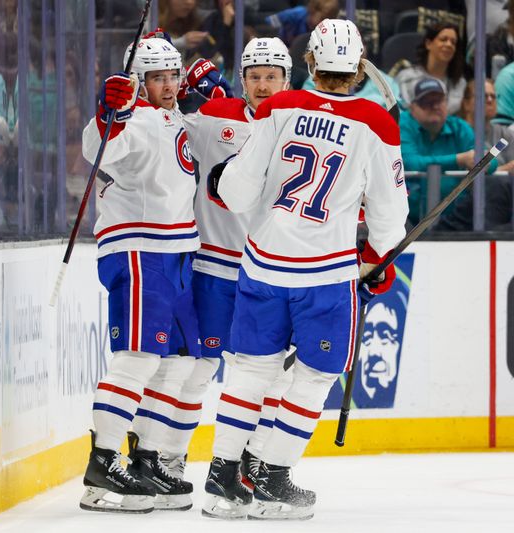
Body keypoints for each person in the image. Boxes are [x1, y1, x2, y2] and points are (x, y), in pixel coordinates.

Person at [205, 19, 408, 520]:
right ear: (360, 67)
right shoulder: (377, 123)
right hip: (326, 274)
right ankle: (273, 477)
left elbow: (235, 191)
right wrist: (378, 257)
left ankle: (221, 478)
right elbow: (389, 218)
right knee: (316, 375)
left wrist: (221, 180)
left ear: (310, 65)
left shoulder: (277, 107)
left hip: (264, 261)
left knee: (250, 370)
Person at [79, 37, 201, 514]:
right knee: (137, 358)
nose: (168, 85)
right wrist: (111, 111)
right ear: (139, 82)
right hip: (139, 249)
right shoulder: (133, 118)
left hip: (176, 252)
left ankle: (145, 460)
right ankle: (102, 464)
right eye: (157, 77)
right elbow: (101, 151)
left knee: (177, 362)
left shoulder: (177, 117)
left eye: (173, 75)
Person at [177, 37, 294, 518]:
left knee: (267, 378)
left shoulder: (297, 124)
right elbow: (167, 131)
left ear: (288, 79)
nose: (263, 84)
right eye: (255, 75)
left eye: (272, 75)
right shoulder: (215, 117)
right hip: (214, 265)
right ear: (241, 78)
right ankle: (165, 455)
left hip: (268, 271)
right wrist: (171, 91)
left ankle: (249, 465)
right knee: (198, 368)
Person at [400, 77, 497, 225]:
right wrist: (459, 160)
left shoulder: (459, 127)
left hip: (455, 219)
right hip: (407, 220)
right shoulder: (403, 124)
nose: (435, 106)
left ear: (446, 103)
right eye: (426, 102)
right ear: (412, 107)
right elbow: (408, 162)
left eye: (439, 101)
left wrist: (485, 162)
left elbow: (493, 160)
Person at [395, 22, 466, 115]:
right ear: (428, 44)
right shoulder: (406, 77)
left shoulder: (460, 83)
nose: (449, 45)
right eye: (443, 40)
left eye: (453, 42)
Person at [266, 0, 340, 47]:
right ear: (310, 10)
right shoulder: (295, 14)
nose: (314, 22)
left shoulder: (334, 29)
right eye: (311, 15)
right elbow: (269, 23)